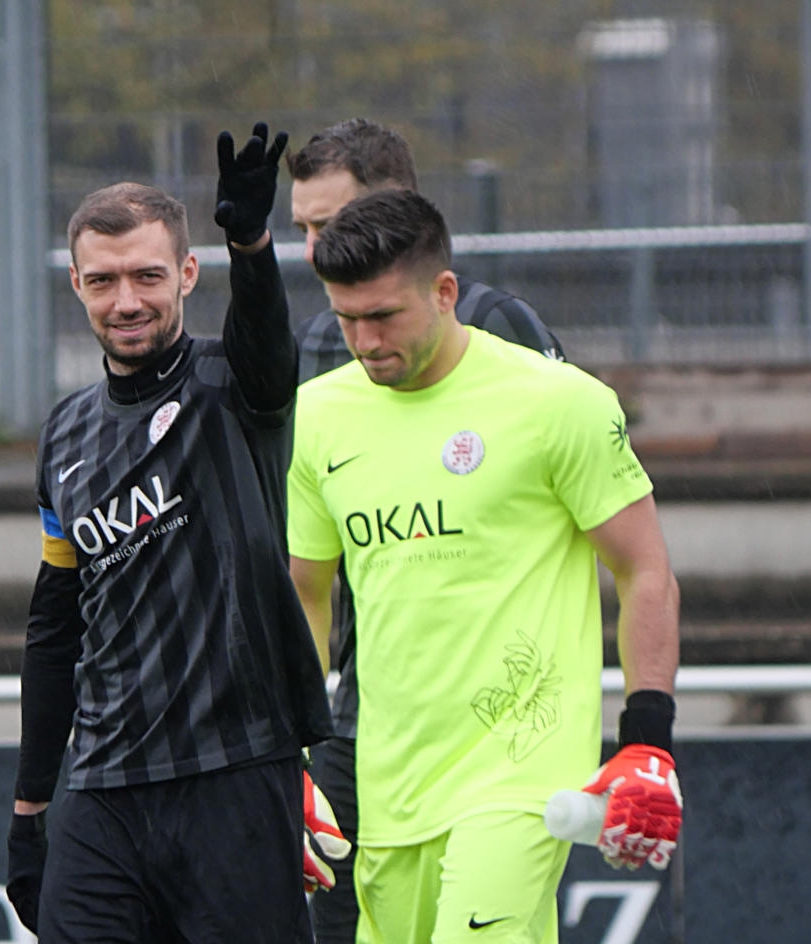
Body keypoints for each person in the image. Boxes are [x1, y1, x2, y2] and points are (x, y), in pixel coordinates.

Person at [287, 189, 682, 943]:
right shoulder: (317, 416)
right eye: (346, 319)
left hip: (522, 774)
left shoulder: (558, 403)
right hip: (390, 783)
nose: (365, 340)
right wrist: (290, 758)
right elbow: (304, 594)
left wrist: (648, 738)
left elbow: (646, 571)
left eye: (384, 316)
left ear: (444, 292)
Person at [4, 124, 347, 944]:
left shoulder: (234, 386)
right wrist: (29, 809)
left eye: (148, 276)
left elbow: (268, 347)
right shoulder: (63, 435)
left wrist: (252, 244)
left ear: (188, 275)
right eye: (103, 280)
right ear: (77, 285)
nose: (126, 300)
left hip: (235, 774)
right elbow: (55, 627)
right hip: (103, 789)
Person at [284, 117, 568, 944]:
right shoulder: (315, 345)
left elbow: (579, 504)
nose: (315, 250)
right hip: (361, 716)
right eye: (302, 230)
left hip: (494, 728)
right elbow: (304, 552)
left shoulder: (501, 327)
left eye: (330, 224)